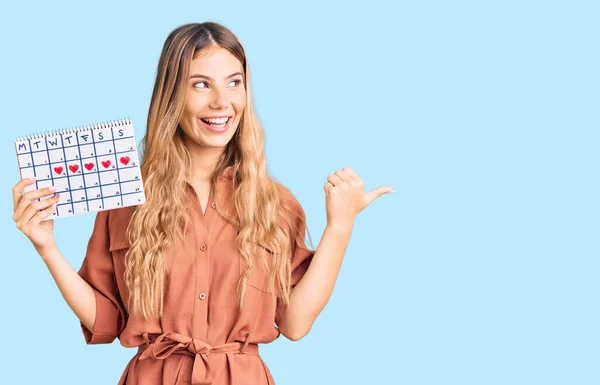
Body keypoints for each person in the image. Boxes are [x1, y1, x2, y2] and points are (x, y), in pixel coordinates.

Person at [11, 22, 394, 385]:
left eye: (234, 83)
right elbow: (107, 319)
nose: (221, 102)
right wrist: (47, 248)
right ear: (173, 94)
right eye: (201, 84)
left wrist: (340, 227)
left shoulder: (275, 203)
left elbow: (295, 324)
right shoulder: (127, 198)